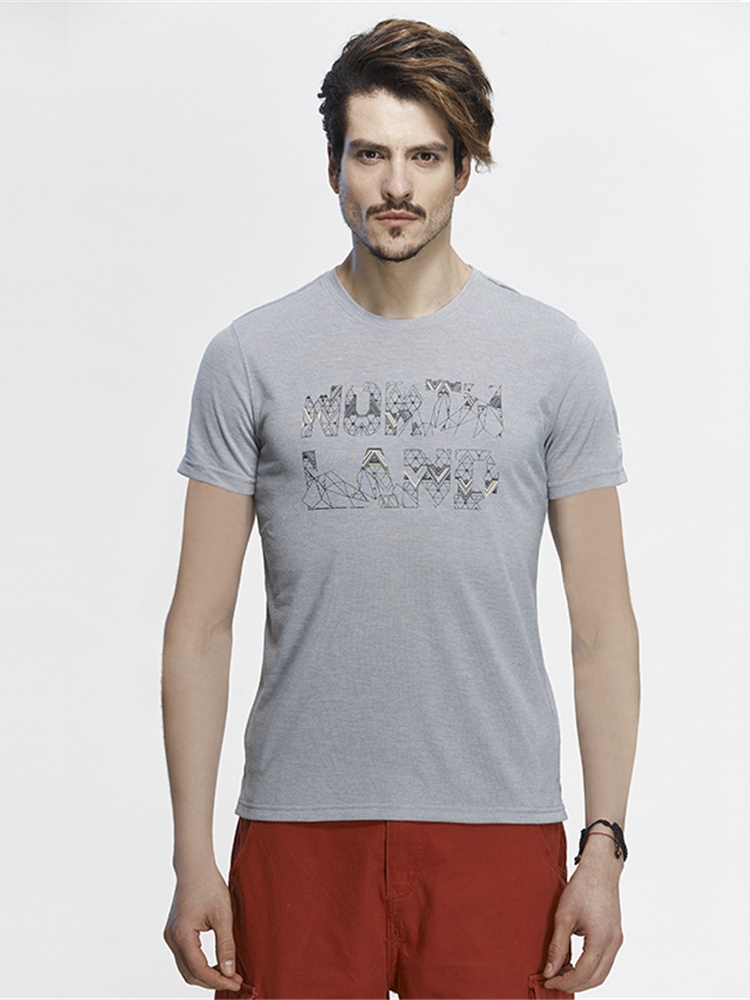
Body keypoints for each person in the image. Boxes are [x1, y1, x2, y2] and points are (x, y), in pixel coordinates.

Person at [162, 18, 640, 1000]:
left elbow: (603, 628)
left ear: (464, 169)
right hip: (297, 829)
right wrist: (191, 853)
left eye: (425, 156)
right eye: (370, 154)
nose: (396, 185)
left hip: (497, 826)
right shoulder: (250, 357)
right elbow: (200, 625)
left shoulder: (553, 358)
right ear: (333, 166)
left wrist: (604, 846)